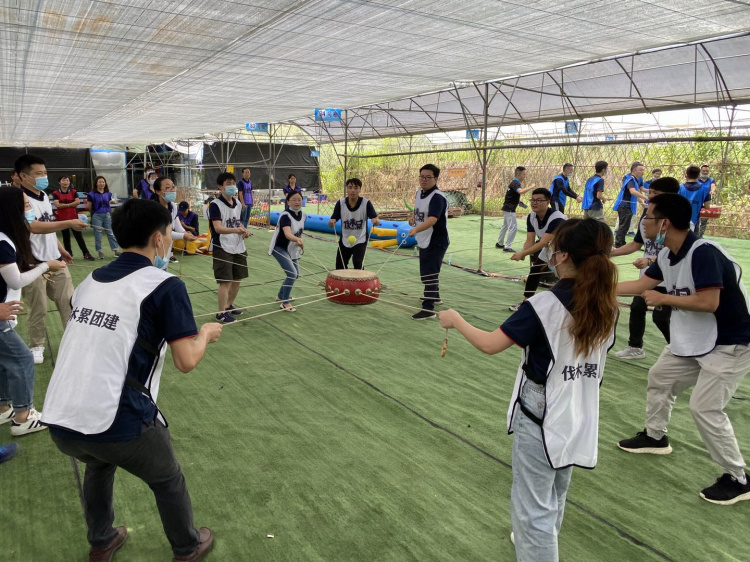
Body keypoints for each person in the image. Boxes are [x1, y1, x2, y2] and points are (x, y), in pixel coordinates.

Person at [41, 198, 222, 562]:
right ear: (158, 238)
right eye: (169, 233)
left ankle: (102, 538)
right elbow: (186, 361)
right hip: (118, 421)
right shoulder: (165, 285)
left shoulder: (89, 281)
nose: (170, 239)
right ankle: (187, 547)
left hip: (60, 418)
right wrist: (205, 334)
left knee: (97, 460)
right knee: (167, 478)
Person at [439, 218, 618, 562]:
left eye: (553, 247)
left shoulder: (544, 306)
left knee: (532, 506)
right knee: (554, 491)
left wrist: (456, 320)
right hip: (580, 408)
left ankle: (535, 543)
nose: (549, 251)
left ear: (562, 256)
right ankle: (537, 539)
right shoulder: (606, 304)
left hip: (543, 411)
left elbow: (491, 344)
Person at [615, 194, 750, 505]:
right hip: (695, 339)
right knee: (660, 377)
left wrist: (663, 298)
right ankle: (655, 436)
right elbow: (640, 286)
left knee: (705, 408)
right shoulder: (667, 254)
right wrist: (592, 288)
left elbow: (709, 302)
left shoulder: (703, 253)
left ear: (665, 223)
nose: (642, 223)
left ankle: (739, 478)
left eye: (646, 217)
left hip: (731, 342)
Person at [0, 188, 68, 436]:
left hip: (4, 314)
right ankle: (23, 416)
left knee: (4, 361)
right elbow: (16, 281)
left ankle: (4, 407)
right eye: (26, 206)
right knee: (22, 359)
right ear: (12, 210)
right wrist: (45, 266)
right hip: (1, 317)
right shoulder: (3, 242)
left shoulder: (7, 239)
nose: (30, 211)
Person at [15, 154, 86, 365]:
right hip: (33, 263)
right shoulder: (20, 199)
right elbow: (33, 226)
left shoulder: (44, 196)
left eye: (45, 173)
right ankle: (36, 346)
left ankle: (73, 340)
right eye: (38, 174)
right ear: (23, 176)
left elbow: (47, 226)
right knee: (38, 308)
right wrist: (69, 222)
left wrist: (61, 249)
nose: (44, 177)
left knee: (69, 302)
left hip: (55, 260)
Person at [609, 177, 680, 360]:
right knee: (638, 306)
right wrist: (610, 253)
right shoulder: (647, 217)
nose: (650, 196)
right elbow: (636, 244)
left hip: (670, 278)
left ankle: (680, 350)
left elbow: (676, 252)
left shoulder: (680, 221)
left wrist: (650, 260)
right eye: (650, 192)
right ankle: (635, 346)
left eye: (655, 193)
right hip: (650, 274)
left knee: (661, 318)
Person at [509, 188, 567, 311]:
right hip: (551, 248)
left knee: (566, 278)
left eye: (539, 200)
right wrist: (523, 253)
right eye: (533, 200)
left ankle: (566, 306)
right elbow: (530, 240)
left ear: (548, 202)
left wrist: (523, 253)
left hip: (567, 249)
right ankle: (526, 302)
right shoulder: (532, 217)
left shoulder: (557, 218)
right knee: (535, 271)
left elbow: (543, 242)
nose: (535, 203)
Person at [408, 164, 450, 320]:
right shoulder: (419, 193)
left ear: (436, 179)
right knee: (428, 270)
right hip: (424, 238)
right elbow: (418, 210)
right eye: (421, 177)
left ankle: (429, 308)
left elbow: (433, 219)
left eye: (428, 177)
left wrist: (415, 229)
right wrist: (413, 218)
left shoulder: (438, 197)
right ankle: (435, 296)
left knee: (429, 274)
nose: (424, 180)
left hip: (436, 240)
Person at [208, 172, 250, 323]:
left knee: (237, 278)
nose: (232, 186)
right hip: (222, 247)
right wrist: (236, 230)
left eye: (233, 183)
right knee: (225, 281)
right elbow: (218, 228)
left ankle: (228, 306)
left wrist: (243, 230)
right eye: (228, 183)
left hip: (238, 245)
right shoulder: (215, 205)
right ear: (220, 187)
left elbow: (236, 222)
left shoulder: (238, 203)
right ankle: (220, 313)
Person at [328, 178, 380, 269]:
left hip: (360, 239)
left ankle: (360, 282)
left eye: (356, 188)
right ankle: (344, 283)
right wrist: (332, 223)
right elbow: (332, 220)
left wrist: (376, 221)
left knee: (358, 263)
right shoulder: (340, 203)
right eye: (350, 187)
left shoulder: (366, 203)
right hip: (345, 239)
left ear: (360, 189)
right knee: (340, 265)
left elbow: (376, 219)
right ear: (347, 189)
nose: (352, 190)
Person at [269, 191, 305, 312]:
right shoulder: (285, 216)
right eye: (294, 200)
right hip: (279, 248)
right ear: (288, 201)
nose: (297, 202)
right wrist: (298, 240)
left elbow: (299, 232)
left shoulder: (303, 215)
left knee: (296, 274)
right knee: (292, 274)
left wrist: (299, 242)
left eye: (299, 199)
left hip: (292, 248)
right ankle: (285, 303)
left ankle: (280, 296)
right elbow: (288, 234)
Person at [151, 177, 197, 265]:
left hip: (167, 248)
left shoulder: (173, 207)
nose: (172, 190)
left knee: (164, 268)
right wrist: (183, 236)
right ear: (157, 191)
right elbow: (163, 233)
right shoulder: (153, 209)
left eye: (173, 187)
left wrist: (185, 233)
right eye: (167, 188)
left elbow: (176, 223)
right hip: (153, 248)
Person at [52, 175, 95, 261]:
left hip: (74, 218)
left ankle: (86, 253)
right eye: (64, 180)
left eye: (67, 180)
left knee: (79, 237)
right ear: (59, 182)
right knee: (66, 238)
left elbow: (77, 202)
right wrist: (71, 204)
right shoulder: (56, 193)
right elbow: (57, 205)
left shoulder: (73, 191)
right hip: (63, 219)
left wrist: (65, 205)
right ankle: (69, 254)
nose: (66, 182)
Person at [496, 167, 536, 252]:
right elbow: (521, 191)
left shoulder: (514, 183)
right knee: (513, 228)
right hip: (510, 209)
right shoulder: (516, 183)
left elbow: (511, 195)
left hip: (507, 207)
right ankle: (507, 247)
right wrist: (531, 187)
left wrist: (517, 201)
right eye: (523, 174)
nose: (524, 176)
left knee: (505, 226)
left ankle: (499, 243)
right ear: (518, 174)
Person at [612, 162, 648, 247]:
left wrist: (642, 201)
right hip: (625, 205)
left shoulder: (638, 179)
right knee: (623, 225)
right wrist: (646, 198)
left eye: (643, 170)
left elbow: (640, 190)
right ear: (634, 170)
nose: (643, 172)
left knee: (625, 225)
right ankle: (618, 244)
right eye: (641, 170)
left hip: (629, 205)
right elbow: (633, 191)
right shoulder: (629, 179)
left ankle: (621, 242)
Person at [87, 176, 121, 260]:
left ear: (105, 183)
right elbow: (89, 206)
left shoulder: (108, 193)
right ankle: (100, 251)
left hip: (107, 214)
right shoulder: (91, 194)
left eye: (103, 182)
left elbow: (108, 203)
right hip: (97, 215)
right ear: (96, 183)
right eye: (100, 182)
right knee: (97, 234)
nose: (102, 183)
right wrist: (94, 213)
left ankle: (116, 251)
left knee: (110, 232)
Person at [678, 165, 711, 236]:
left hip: (680, 219)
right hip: (694, 220)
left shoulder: (679, 188)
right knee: (693, 241)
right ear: (698, 175)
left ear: (686, 175)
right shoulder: (704, 189)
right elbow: (707, 206)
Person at [697, 164, 718, 238]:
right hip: (697, 200)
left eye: (707, 171)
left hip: (707, 199)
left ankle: (700, 235)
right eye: (703, 171)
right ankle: (695, 234)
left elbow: (713, 185)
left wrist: (712, 191)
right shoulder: (697, 179)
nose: (705, 172)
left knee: (704, 218)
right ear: (700, 171)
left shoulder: (711, 180)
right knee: (696, 217)